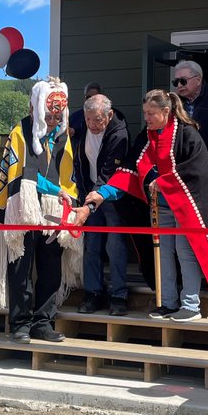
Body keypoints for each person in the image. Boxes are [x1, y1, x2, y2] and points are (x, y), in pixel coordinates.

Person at [72, 89, 208, 321]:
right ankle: (168, 302)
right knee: (163, 253)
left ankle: (191, 305)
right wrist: (101, 195)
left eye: (151, 113)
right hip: (161, 205)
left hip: (187, 206)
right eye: (145, 113)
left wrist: (163, 182)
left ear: (166, 111)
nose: (147, 118)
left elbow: (196, 170)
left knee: (185, 253)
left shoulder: (188, 134)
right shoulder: (147, 136)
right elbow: (128, 171)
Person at [0, 78, 81, 342]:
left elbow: (68, 175)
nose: (52, 120)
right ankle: (21, 323)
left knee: (51, 267)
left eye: (57, 115)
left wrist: (67, 199)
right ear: (35, 108)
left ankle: (43, 322)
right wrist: (54, 190)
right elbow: (23, 176)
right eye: (48, 114)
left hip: (52, 210)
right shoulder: (20, 132)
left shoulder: (62, 135)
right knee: (21, 267)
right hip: (23, 210)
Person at [72, 94, 131, 316]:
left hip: (112, 197)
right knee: (91, 245)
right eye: (89, 119)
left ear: (109, 115)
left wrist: (90, 204)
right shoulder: (79, 125)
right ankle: (93, 293)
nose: (93, 125)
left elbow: (107, 174)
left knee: (115, 246)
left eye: (98, 120)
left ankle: (119, 295)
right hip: (88, 195)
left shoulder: (120, 134)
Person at [171, 60, 208, 198]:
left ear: (198, 80)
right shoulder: (174, 103)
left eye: (183, 81)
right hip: (180, 169)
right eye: (176, 82)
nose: (179, 85)